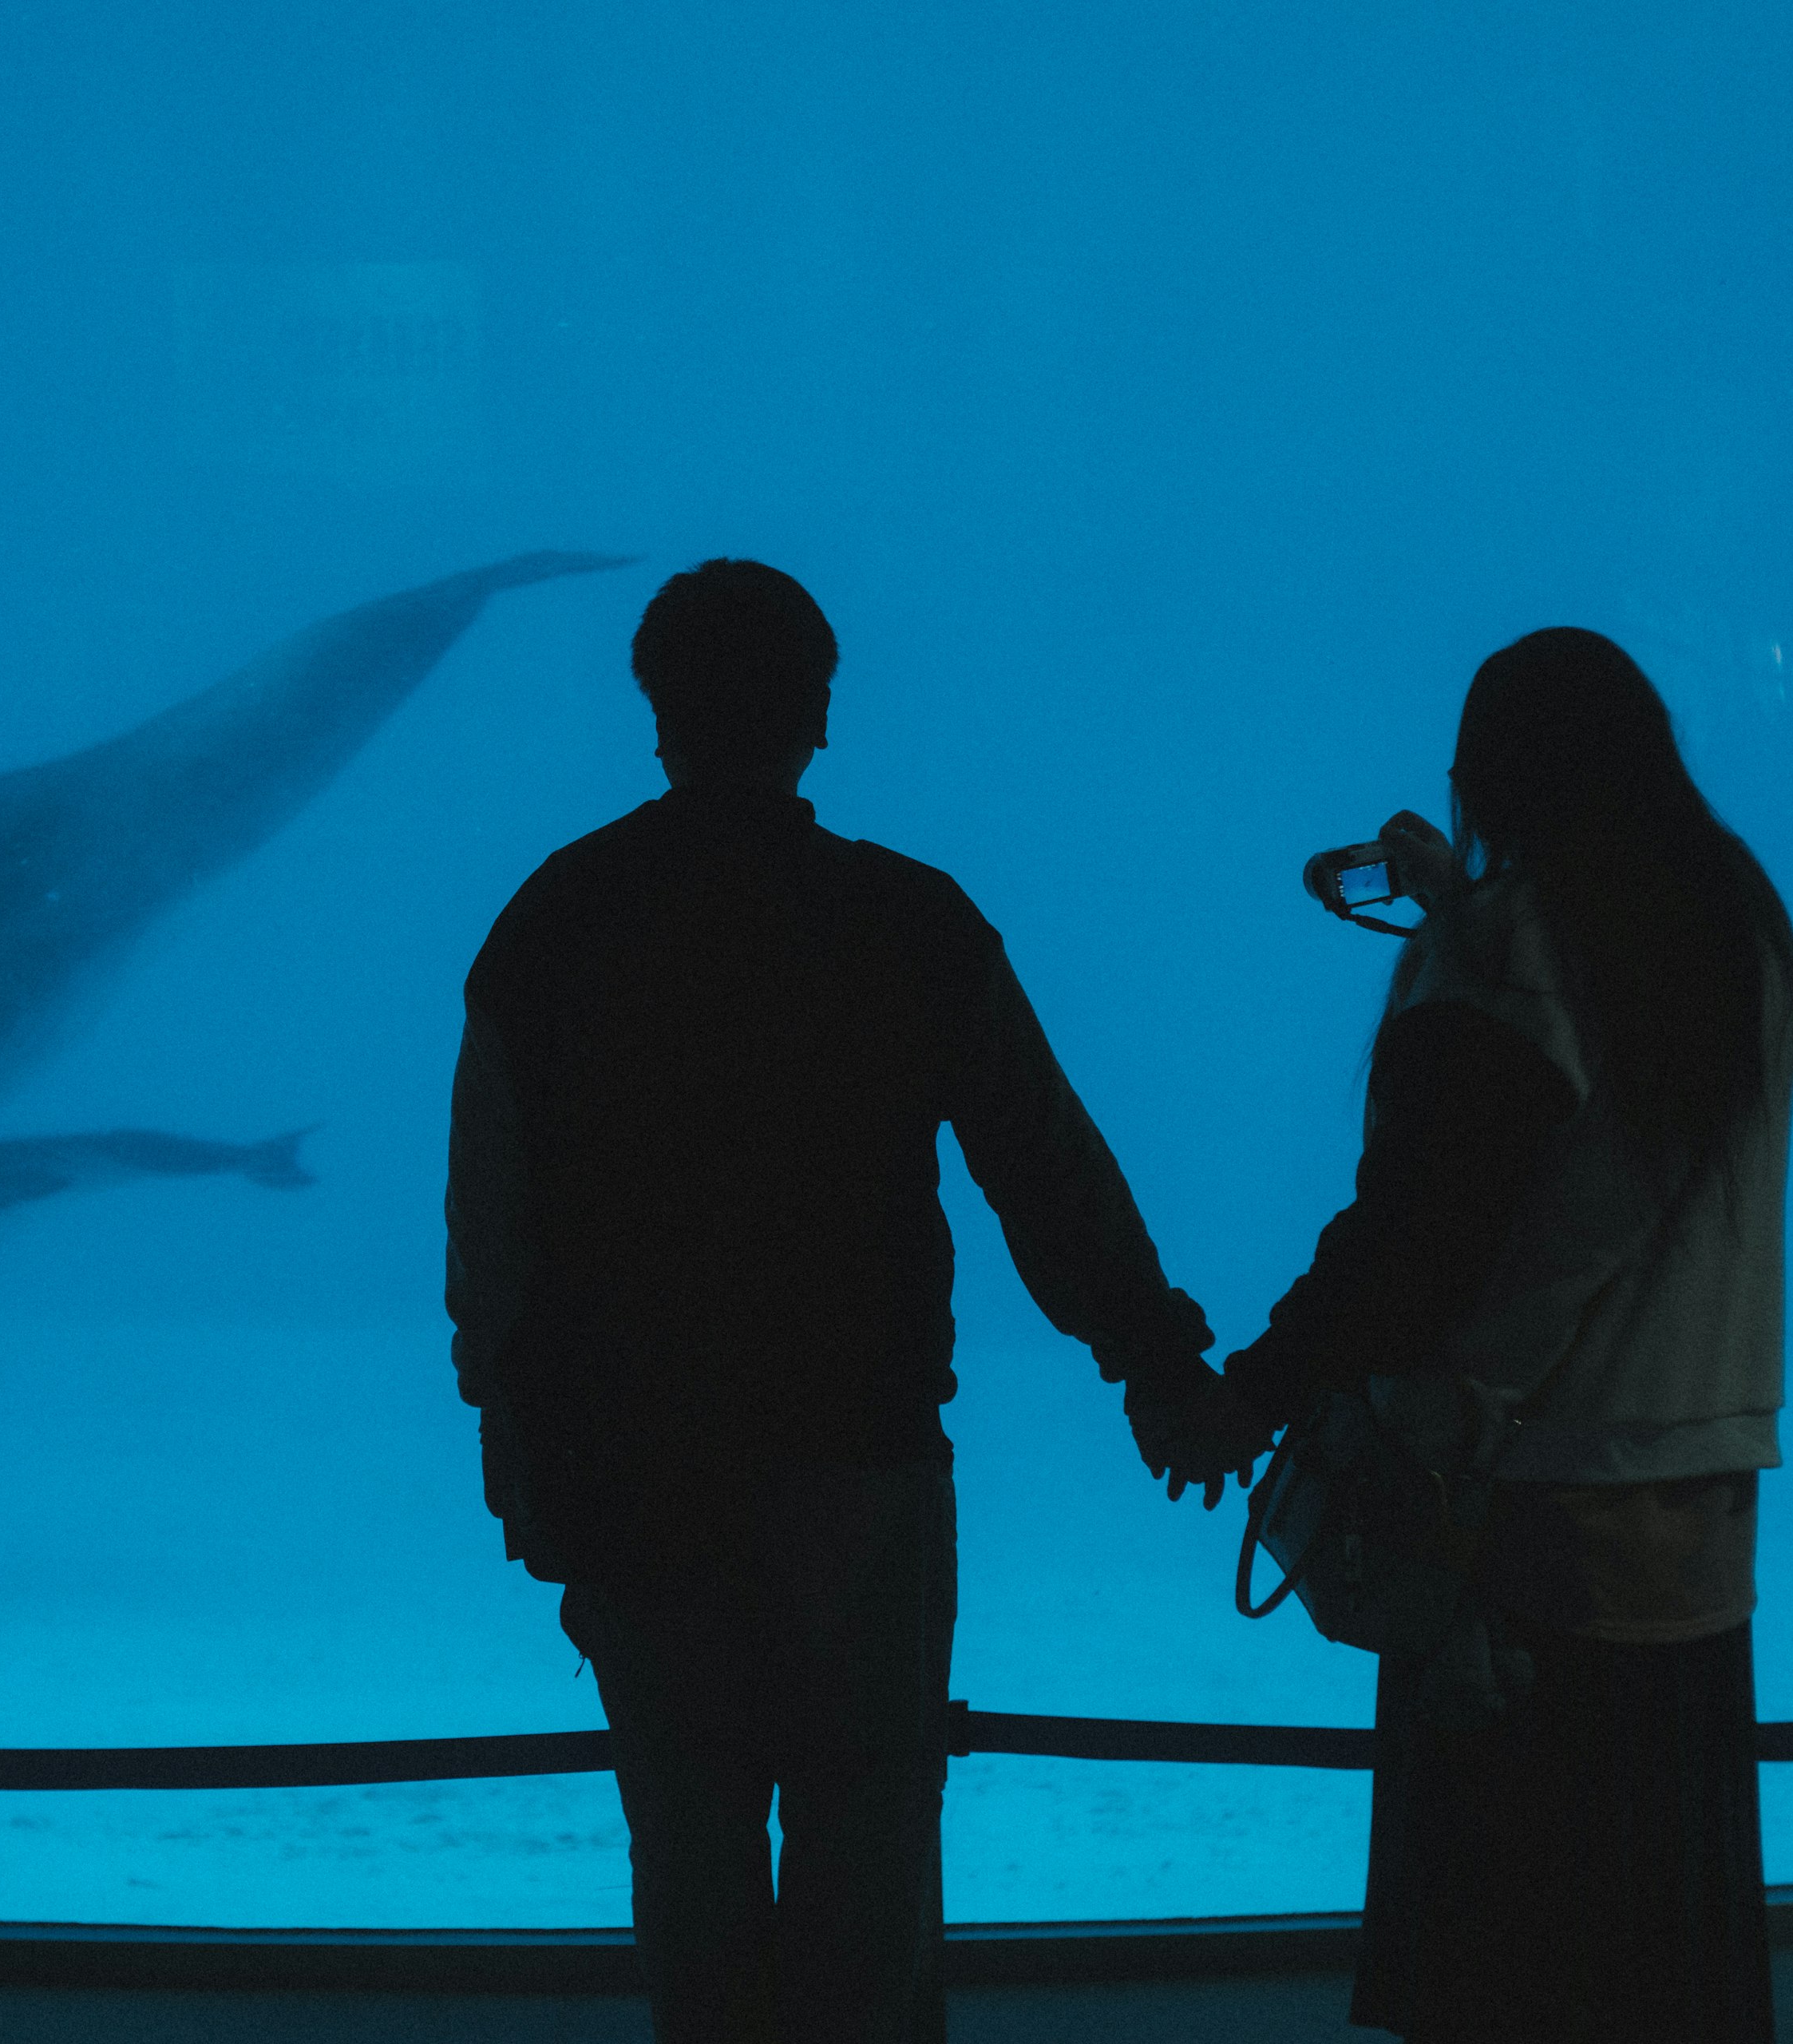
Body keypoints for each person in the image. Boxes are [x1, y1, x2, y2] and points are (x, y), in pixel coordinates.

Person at [445, 559, 1226, 2044]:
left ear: (655, 716)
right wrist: (1157, 1362)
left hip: (632, 1469)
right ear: (820, 715)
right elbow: (1045, 1173)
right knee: (868, 1883)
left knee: (692, 1870)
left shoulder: (554, 920)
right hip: (860, 1471)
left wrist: (513, 1432)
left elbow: (494, 1221)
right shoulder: (907, 920)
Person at [1178, 627, 1793, 2042]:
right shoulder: (1736, 924)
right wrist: (1462, 906)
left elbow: (1419, 1236)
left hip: (1511, 1533)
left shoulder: (1510, 947)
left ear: (1493, 777)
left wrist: (1251, 1393)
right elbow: (1602, 1116)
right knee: (1658, 1949)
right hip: (1697, 1532)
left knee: (1510, 1956)